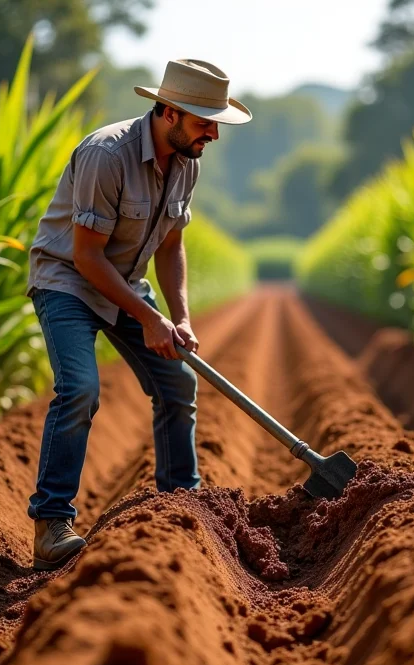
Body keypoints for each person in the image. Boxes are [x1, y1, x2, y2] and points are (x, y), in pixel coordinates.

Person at [24, 59, 253, 570]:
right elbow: (86, 257)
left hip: (125, 284)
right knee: (80, 389)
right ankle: (51, 523)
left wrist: (181, 317)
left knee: (177, 382)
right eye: (203, 122)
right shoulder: (108, 155)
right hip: (67, 282)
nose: (212, 134)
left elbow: (171, 246)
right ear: (168, 112)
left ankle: (182, 500)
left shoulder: (187, 160)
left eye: (216, 122)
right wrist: (149, 319)